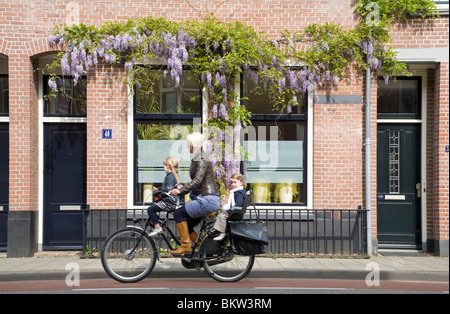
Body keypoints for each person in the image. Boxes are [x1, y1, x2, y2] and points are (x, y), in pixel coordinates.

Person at [170, 132, 220, 255]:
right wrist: (183, 186)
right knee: (187, 224)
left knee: (178, 213)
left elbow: (197, 181)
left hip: (207, 200)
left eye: (188, 144)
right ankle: (203, 249)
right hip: (204, 198)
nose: (187, 146)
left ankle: (185, 245)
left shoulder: (202, 157)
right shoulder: (198, 157)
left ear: (192, 144)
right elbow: (198, 180)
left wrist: (180, 191)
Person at [147, 157, 180, 237]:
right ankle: (159, 225)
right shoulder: (171, 176)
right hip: (170, 201)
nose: (163, 168)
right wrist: (159, 191)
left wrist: (158, 193)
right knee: (153, 209)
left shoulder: (170, 176)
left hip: (169, 202)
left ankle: (158, 227)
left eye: (164, 166)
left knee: (150, 209)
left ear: (168, 166)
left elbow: (168, 191)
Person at [212, 173, 247, 241]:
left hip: (236, 213)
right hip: (234, 212)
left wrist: (228, 211)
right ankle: (218, 230)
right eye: (231, 182)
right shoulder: (236, 192)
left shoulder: (239, 193)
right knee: (219, 216)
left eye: (235, 182)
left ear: (241, 182)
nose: (233, 184)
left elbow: (238, 205)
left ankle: (222, 233)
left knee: (222, 217)